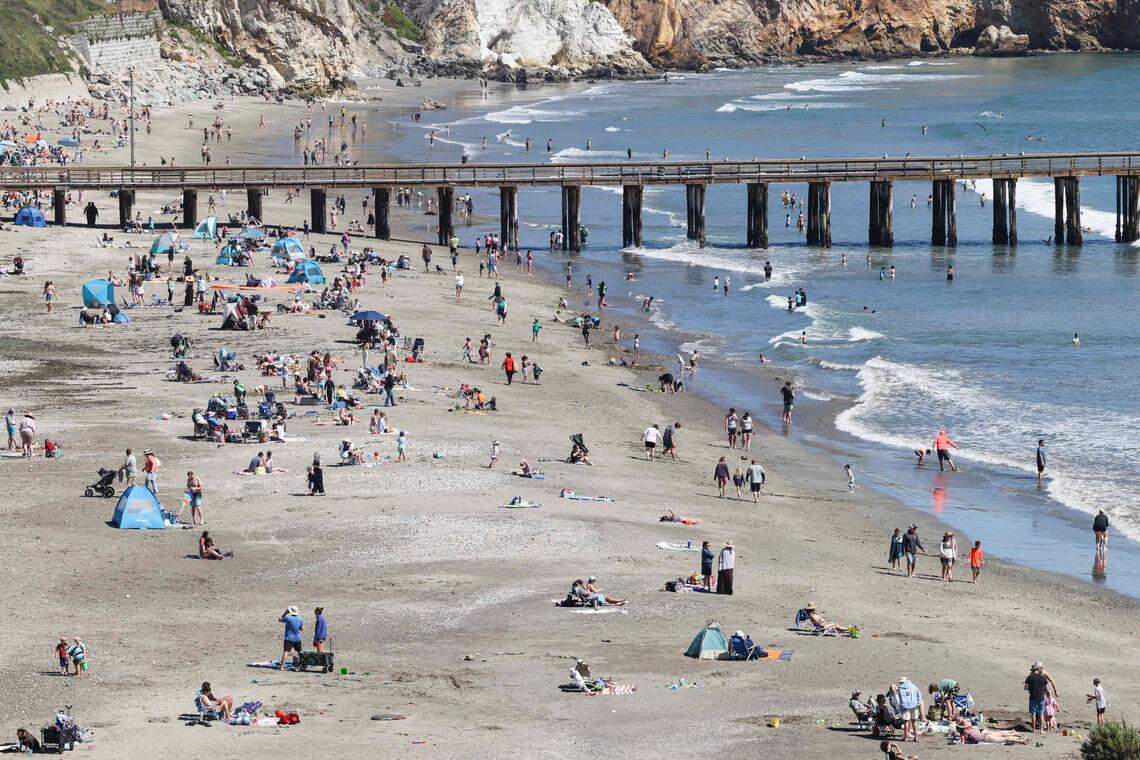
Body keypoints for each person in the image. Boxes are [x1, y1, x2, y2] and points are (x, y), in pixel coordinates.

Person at [1025, 661, 1057, 732]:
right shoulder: (1038, 675)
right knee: (1041, 711)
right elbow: (1047, 685)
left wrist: (1055, 690)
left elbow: (1051, 681)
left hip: (1037, 694)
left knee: (1042, 711)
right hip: (1041, 694)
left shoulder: (1042, 673)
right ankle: (1041, 727)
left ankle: (1042, 726)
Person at [954, 717, 1028, 745]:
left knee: (1004, 738)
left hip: (985, 738)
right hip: (985, 735)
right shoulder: (970, 728)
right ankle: (1020, 739)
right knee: (1003, 735)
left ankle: (1020, 740)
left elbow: (962, 742)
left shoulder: (965, 732)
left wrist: (957, 735)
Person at [896, 677, 922, 742]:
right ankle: (916, 737)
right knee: (914, 721)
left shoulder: (901, 688)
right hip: (914, 705)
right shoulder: (913, 686)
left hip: (906, 706)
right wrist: (918, 702)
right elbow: (919, 694)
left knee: (906, 721)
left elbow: (902, 698)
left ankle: (906, 737)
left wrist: (903, 706)